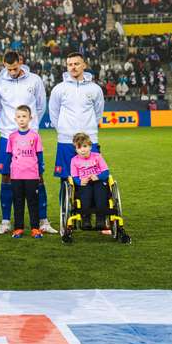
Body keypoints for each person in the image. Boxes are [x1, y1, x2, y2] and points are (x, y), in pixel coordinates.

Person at [0, 51, 54, 235]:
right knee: (6, 176)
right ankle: (5, 221)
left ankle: (42, 221)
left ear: (21, 63)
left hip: (30, 137)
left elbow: (41, 106)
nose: (12, 71)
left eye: (15, 68)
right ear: (3, 65)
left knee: (38, 176)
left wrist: (31, 126)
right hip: (8, 136)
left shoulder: (34, 80)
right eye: (8, 68)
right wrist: (10, 127)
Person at [49, 53, 105, 229]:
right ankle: (68, 215)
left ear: (84, 65)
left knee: (93, 179)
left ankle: (91, 217)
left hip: (90, 141)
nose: (73, 67)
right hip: (66, 141)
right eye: (69, 64)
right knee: (66, 179)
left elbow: (98, 113)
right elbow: (54, 113)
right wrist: (65, 132)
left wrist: (87, 134)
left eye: (76, 64)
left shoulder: (95, 89)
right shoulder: (59, 88)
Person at [6, 105, 44, 239]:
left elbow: (39, 155)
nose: (21, 119)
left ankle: (35, 228)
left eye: (24, 116)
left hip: (32, 175)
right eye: (19, 117)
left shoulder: (35, 136)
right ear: (15, 119)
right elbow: (9, 155)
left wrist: (40, 170)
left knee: (33, 202)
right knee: (18, 202)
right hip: (16, 175)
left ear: (30, 118)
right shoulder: (12, 136)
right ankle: (18, 228)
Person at [69, 132, 113, 234]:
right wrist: (80, 181)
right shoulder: (74, 160)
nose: (83, 149)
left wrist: (97, 177)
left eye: (85, 146)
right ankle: (86, 219)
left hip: (98, 181)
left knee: (101, 193)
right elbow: (74, 176)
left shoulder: (97, 156)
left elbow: (106, 172)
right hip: (84, 183)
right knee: (86, 194)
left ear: (90, 146)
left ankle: (100, 220)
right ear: (76, 149)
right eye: (79, 147)